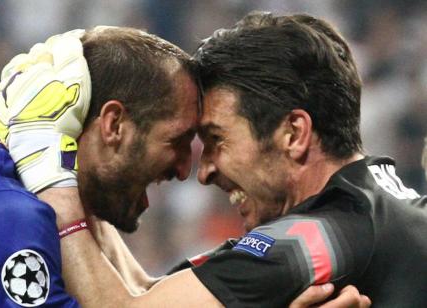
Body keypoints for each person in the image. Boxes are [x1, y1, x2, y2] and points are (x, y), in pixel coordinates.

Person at [0, 25, 368, 307]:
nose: (185, 169)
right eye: (177, 141)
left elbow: (136, 298)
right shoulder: (3, 223)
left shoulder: (34, 191)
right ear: (114, 124)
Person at [22, 12, 426, 307]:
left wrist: (53, 175)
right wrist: (90, 177)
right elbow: (149, 292)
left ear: (293, 134)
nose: (205, 170)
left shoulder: (317, 238)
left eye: (216, 139)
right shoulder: (377, 209)